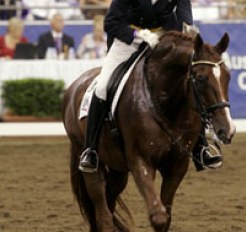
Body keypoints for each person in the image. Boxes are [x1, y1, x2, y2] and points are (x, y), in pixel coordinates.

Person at [79, 0, 223, 173]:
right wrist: (139, 35)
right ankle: (91, 149)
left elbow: (183, 7)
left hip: (164, 38)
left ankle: (201, 147)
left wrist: (187, 26)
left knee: (188, 82)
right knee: (102, 87)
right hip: (128, 40)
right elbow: (111, 22)